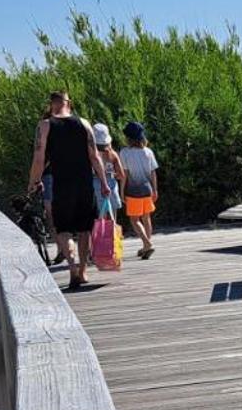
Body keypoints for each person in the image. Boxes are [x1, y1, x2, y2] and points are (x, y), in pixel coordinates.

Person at [29, 91, 107, 291]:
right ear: (69, 103)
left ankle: (72, 268)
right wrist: (104, 182)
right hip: (84, 183)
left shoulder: (45, 126)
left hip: (61, 184)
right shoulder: (84, 123)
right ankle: (82, 270)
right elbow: (95, 156)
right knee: (84, 228)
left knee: (62, 228)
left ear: (51, 104)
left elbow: (38, 157)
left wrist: (33, 182)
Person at [119, 120, 161, 259]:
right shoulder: (148, 152)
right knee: (146, 217)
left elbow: (124, 174)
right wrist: (155, 189)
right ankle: (145, 246)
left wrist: (121, 191)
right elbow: (153, 172)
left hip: (133, 190)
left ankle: (147, 244)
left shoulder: (125, 152)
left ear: (128, 138)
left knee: (134, 220)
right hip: (147, 188)